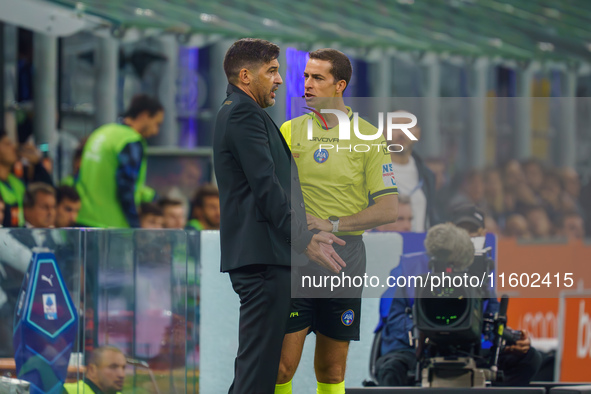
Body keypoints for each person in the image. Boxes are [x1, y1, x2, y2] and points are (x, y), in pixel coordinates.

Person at [213, 38, 347, 394]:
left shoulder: (242, 112)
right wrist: (303, 239)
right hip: (262, 261)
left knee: (256, 370)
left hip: (263, 258)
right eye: (272, 71)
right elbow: (267, 188)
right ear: (246, 76)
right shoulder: (243, 113)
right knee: (258, 374)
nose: (280, 80)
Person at [276, 48, 398, 394]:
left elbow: (388, 209)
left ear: (339, 85)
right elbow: (273, 193)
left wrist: (332, 224)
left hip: (344, 256)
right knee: (282, 366)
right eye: (305, 77)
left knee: (331, 369)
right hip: (296, 253)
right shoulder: (289, 131)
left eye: (317, 78)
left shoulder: (370, 138)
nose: (307, 85)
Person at [376, 218, 540, 387]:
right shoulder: (410, 273)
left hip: (467, 350)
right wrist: (423, 332)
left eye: (454, 264)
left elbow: (493, 323)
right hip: (416, 351)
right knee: (391, 369)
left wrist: (510, 341)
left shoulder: (478, 282)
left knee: (529, 359)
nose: (449, 268)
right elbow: (395, 320)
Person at [76, 94, 164, 228]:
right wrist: (135, 226)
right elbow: (125, 187)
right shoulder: (130, 141)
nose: (156, 131)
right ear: (145, 116)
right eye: (157, 124)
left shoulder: (101, 133)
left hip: (83, 219)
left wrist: (148, 196)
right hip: (111, 227)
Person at [384, 111, 437, 232]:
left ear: (418, 133)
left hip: (419, 247)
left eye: (408, 126)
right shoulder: (369, 172)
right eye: (395, 126)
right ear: (384, 132)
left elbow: (431, 217)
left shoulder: (427, 176)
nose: (402, 132)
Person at [0, 129, 26, 227]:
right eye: (7, 144)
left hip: (18, 237)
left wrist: (37, 166)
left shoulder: (17, 182)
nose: (13, 148)